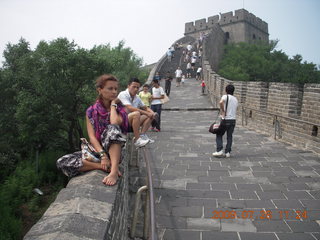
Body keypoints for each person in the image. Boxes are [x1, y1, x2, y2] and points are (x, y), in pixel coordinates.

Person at [56, 74, 128, 186]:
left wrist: (113, 105)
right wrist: (103, 156)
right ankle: (103, 167)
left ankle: (114, 170)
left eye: (115, 89)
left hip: (114, 151)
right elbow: (92, 137)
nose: (114, 92)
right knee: (62, 162)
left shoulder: (120, 108)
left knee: (112, 129)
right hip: (98, 151)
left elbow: (114, 123)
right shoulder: (91, 111)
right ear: (100, 90)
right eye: (110, 88)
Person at [118, 78, 156, 147]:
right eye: (134, 87)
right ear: (128, 86)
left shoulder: (137, 97)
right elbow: (130, 108)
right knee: (136, 113)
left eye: (137, 87)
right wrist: (146, 113)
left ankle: (142, 135)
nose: (136, 89)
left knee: (150, 116)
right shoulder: (123, 94)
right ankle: (137, 140)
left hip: (131, 122)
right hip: (122, 122)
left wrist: (152, 113)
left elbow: (146, 108)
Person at [212, 84, 238, 158]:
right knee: (229, 136)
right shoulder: (235, 99)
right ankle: (227, 152)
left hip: (225, 120)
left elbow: (220, 102)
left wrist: (223, 111)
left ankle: (219, 151)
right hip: (233, 120)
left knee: (219, 134)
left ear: (226, 90)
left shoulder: (225, 96)